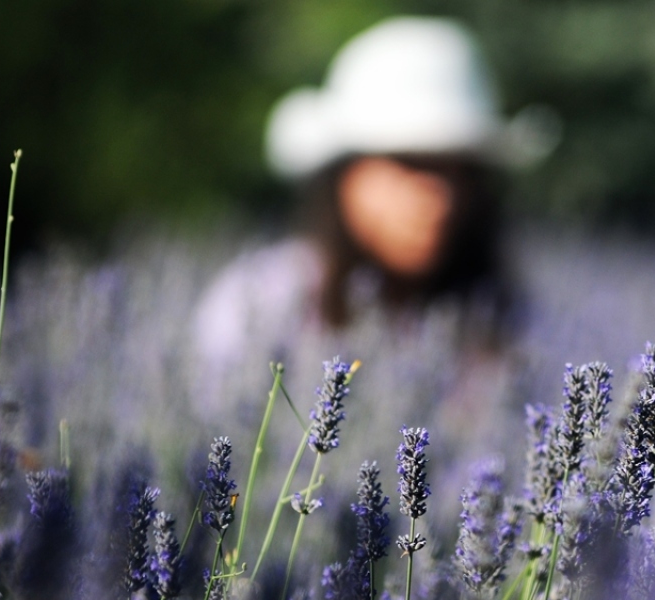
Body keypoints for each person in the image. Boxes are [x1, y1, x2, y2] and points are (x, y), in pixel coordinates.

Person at [193, 17, 547, 376]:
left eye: (463, 170)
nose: (441, 196)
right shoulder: (259, 303)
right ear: (343, 172)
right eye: (409, 162)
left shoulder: (505, 318)